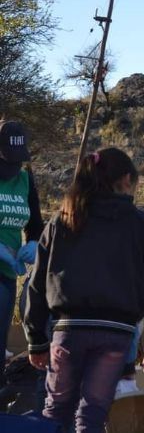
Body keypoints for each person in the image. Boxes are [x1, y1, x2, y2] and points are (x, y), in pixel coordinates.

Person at [23, 147, 144, 433]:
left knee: (55, 411)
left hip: (68, 328)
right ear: (127, 179)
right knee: (92, 413)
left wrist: (35, 339)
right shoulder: (140, 223)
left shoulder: (62, 220)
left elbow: (39, 282)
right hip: (115, 333)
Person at [0, 121, 44, 387]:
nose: (11, 170)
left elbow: (35, 223)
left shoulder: (25, 180)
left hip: (7, 273)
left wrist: (34, 243)